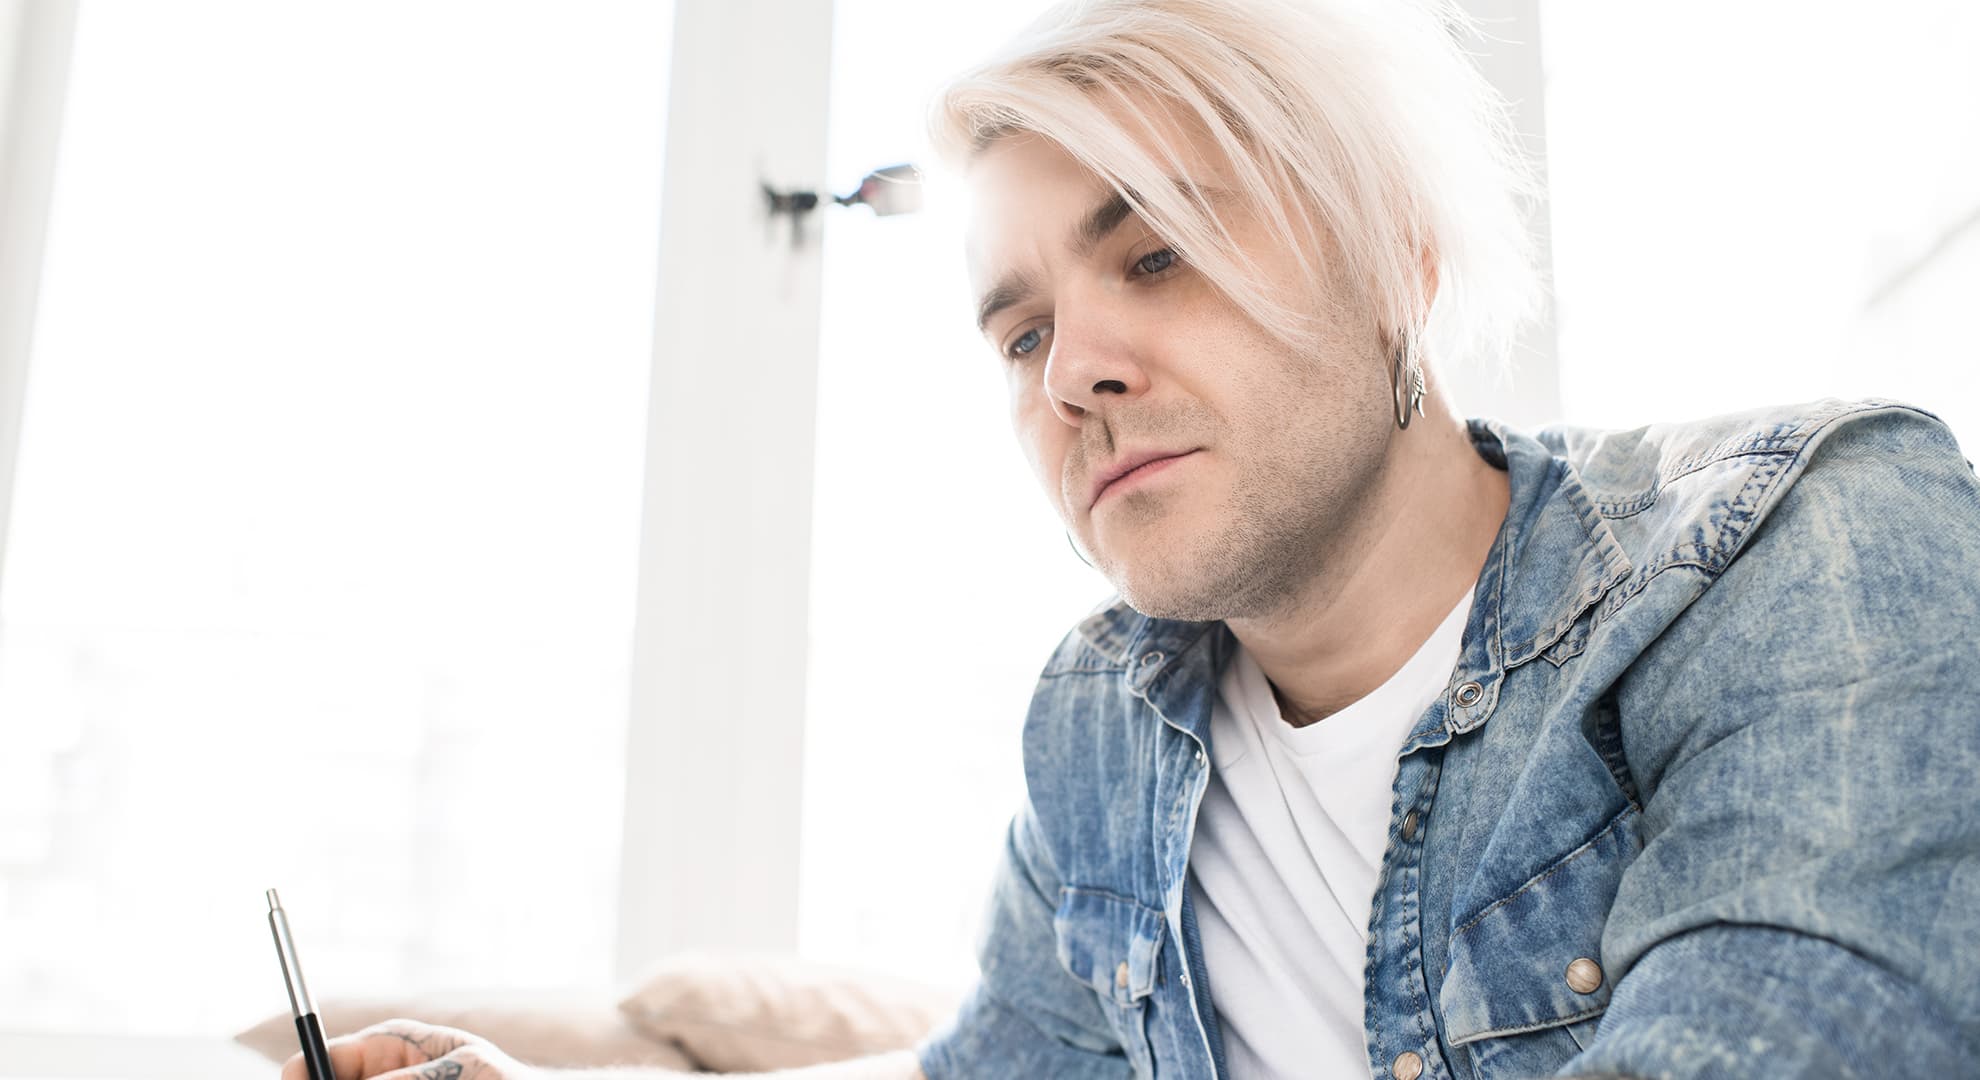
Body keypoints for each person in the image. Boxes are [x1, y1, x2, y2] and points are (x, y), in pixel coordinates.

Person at [289, 0, 1980, 1077]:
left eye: (1156, 251)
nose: (1075, 371)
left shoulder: (1803, 551)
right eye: (1019, 335)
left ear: (1401, 259)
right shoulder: (1105, 723)